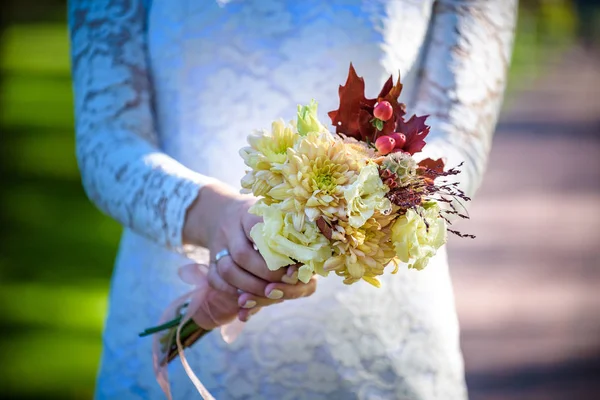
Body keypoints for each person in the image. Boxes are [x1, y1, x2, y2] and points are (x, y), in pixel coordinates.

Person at [69, 0, 517, 398]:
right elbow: (106, 142)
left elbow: (458, 135)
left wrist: (346, 218)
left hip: (378, 340)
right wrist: (219, 219)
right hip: (171, 286)